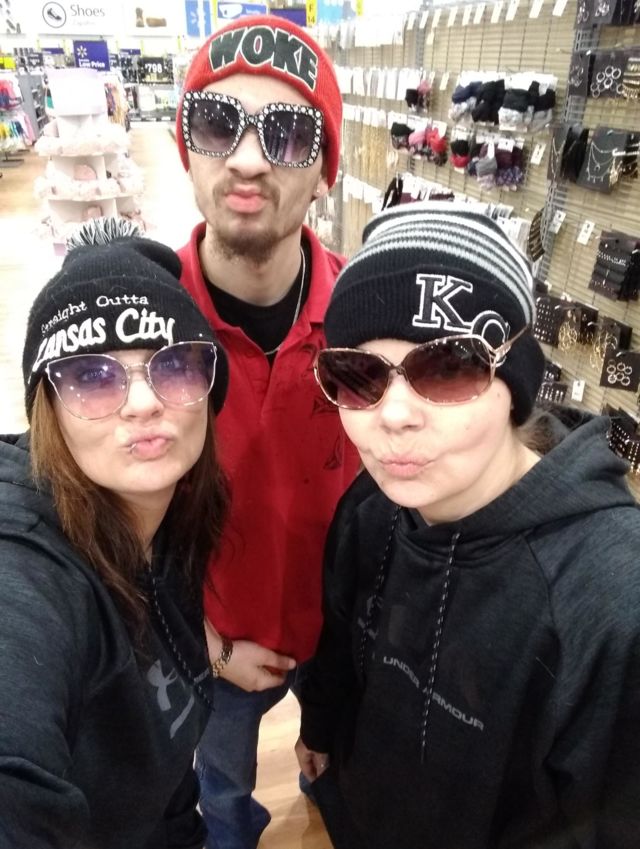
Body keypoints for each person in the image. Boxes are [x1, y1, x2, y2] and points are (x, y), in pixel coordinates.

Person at [296, 202, 640, 849]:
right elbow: (342, 641)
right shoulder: (371, 507)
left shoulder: (610, 599)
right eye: (359, 376)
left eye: (448, 369)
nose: (393, 415)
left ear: (515, 384)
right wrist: (319, 724)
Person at [174, 14, 360, 849]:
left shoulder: (366, 318)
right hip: (214, 640)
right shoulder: (147, 328)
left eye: (287, 133)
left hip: (341, 633)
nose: (248, 159)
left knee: (338, 765)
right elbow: (105, 530)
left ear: (325, 169)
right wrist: (209, 644)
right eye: (217, 124)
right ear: (187, 149)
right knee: (222, 796)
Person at [0, 226, 230, 849]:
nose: (142, 402)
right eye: (92, 376)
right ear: (48, 406)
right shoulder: (25, 566)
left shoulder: (168, 523)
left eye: (173, 365)